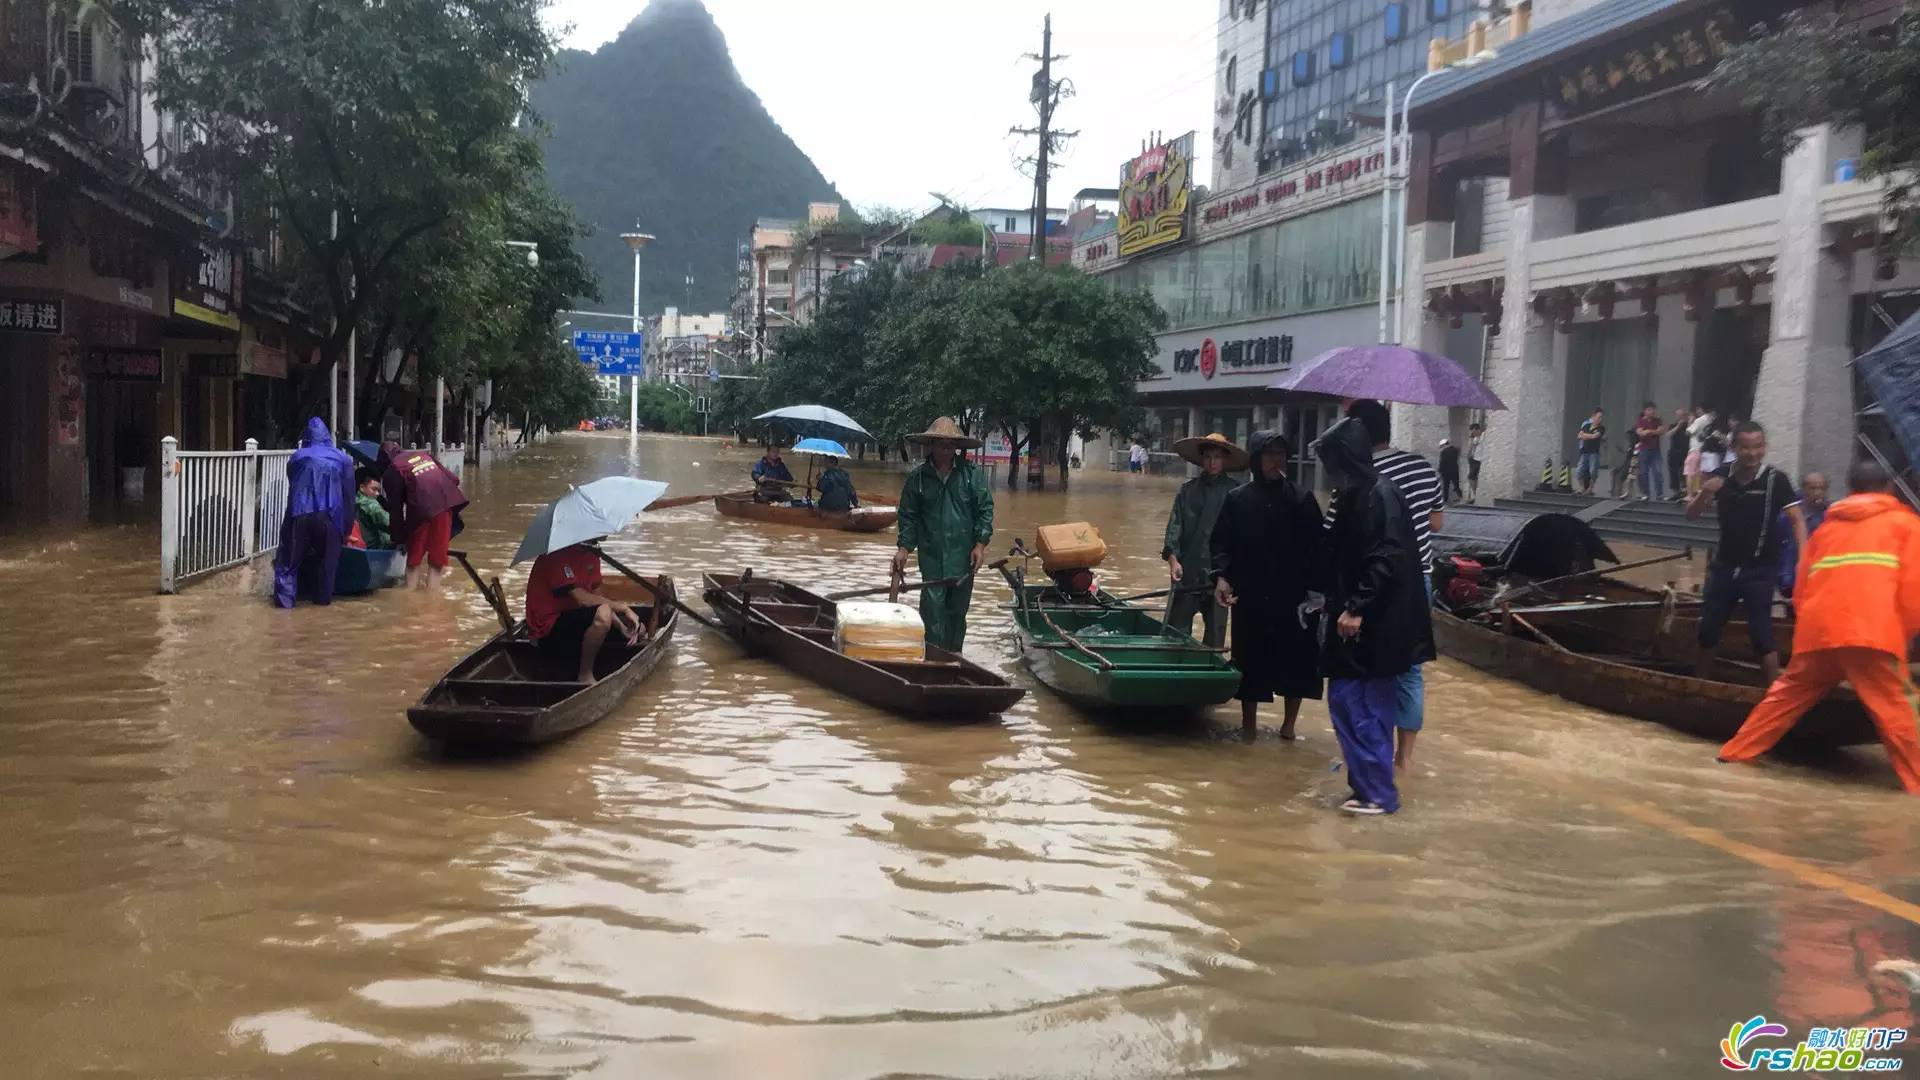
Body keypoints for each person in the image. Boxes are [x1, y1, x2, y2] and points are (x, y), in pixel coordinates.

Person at [1717, 458, 1920, 794]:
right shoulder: (1907, 525)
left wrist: (1808, 630)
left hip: (1819, 631)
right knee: (1900, 709)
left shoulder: (1827, 528)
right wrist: (1907, 635)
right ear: (1888, 488)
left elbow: (1802, 587)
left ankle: (1733, 755)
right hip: (1871, 634)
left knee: (1783, 698)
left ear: (1849, 488)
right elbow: (1914, 588)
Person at [1311, 417, 1435, 816]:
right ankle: (1364, 787)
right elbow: (1337, 550)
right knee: (1348, 703)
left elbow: (1385, 557)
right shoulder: (1354, 495)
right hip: (1357, 621)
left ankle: (1379, 794)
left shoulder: (1381, 495)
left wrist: (1356, 607)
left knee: (1365, 707)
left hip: (1376, 625)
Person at [1328, 400, 1444, 770]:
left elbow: (1334, 535)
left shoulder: (1356, 478)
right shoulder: (1423, 467)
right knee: (1410, 668)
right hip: (1419, 578)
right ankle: (1403, 760)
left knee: (1367, 668)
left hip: (1370, 587)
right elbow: (1437, 523)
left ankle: (1368, 753)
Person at [1210, 430, 1324, 739]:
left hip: (1294, 599)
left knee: (1297, 662)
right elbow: (1222, 544)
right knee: (1250, 660)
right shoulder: (1237, 500)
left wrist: (1319, 594)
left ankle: (1288, 728)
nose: (1276, 461)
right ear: (1256, 459)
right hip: (1252, 596)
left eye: (1281, 455)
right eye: (1270, 454)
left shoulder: (1302, 500)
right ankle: (1249, 728)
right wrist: (1221, 577)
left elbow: (1319, 549)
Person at [1686, 421, 1808, 683]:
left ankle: (1772, 694)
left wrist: (1804, 559)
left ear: (1764, 447)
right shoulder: (1721, 476)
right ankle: (1698, 684)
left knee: (1762, 636)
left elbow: (1798, 520)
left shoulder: (1776, 479)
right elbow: (1692, 516)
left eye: (1758, 447)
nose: (1752, 453)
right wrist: (1705, 493)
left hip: (1760, 569)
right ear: (1734, 448)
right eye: (1746, 447)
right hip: (1724, 566)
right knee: (1708, 629)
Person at [892, 417, 994, 653]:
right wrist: (904, 548)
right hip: (932, 556)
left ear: (956, 447)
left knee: (958, 611)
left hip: (963, 556)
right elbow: (908, 516)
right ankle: (934, 656)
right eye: (941, 444)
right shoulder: (917, 479)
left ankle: (955, 655)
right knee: (933, 609)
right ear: (932, 445)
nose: (946, 449)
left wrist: (980, 544)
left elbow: (985, 510)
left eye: (950, 445)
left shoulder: (971, 476)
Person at [1163, 432, 1246, 648]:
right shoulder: (1187, 491)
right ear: (1201, 459)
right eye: (1208, 456)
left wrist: (1233, 573)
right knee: (1175, 635)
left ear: (1225, 460)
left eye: (1217, 457)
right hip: (1187, 571)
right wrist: (1173, 560)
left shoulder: (1235, 493)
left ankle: (1212, 680)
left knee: (1216, 638)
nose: (1212, 462)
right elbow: (1174, 527)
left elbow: (1241, 538)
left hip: (1220, 577)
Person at [524, 541, 645, 685]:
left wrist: (622, 627)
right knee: (605, 612)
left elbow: (598, 599)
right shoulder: (556, 555)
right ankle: (585, 675)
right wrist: (624, 608)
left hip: (575, 619)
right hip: (548, 629)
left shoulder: (592, 554)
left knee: (639, 630)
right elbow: (582, 599)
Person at [272, 417, 356, 608]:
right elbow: (349, 497)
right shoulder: (343, 459)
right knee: (327, 566)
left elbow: (293, 481)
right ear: (328, 437)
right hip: (331, 516)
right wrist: (347, 528)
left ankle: (284, 609)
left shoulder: (297, 457)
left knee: (288, 564)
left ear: (306, 437)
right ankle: (321, 607)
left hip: (299, 513)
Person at [379, 440, 469, 589]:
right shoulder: (423, 455)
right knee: (436, 560)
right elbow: (454, 479)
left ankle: (410, 597)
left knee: (413, 560)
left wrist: (399, 539)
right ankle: (432, 602)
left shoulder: (392, 469)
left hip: (420, 512)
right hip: (445, 506)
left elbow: (395, 511)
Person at [1776, 472, 1830, 598]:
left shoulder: (1830, 512)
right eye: (1813, 488)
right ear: (1804, 488)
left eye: (1822, 488)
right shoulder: (1791, 513)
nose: (1818, 492)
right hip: (1793, 571)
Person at [1633, 402, 1667, 502]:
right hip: (1644, 450)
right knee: (1644, 472)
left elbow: (1661, 431)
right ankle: (1645, 493)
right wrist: (1651, 432)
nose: (1652, 411)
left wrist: (1649, 431)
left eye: (1653, 409)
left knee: (1658, 472)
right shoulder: (1640, 421)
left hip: (1655, 450)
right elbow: (1640, 433)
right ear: (1645, 411)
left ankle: (1659, 494)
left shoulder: (1657, 420)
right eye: (1649, 409)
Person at [354, 468, 392, 550]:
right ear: (362, 487)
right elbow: (387, 521)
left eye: (378, 490)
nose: (377, 494)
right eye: (374, 489)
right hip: (376, 550)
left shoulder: (353, 500)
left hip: (360, 547)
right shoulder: (368, 503)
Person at [1574, 407, 1606, 495]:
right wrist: (1586, 435)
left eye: (1601, 417)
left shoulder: (1601, 428)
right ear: (1594, 417)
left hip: (1594, 452)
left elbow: (1595, 436)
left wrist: (1585, 435)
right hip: (1584, 451)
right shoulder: (1586, 425)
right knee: (1579, 471)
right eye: (1599, 417)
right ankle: (1582, 487)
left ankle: (1590, 488)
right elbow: (1579, 436)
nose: (1600, 419)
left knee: (1593, 471)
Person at [1685, 407, 1716, 497]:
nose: (1697, 411)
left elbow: (1688, 432)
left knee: (1689, 472)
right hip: (1704, 449)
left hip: (1695, 449)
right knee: (1699, 473)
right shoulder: (1711, 420)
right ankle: (1698, 494)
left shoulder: (1699, 420)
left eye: (1698, 409)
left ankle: (1689, 495)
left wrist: (1690, 421)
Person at [1666, 407, 1692, 502]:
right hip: (1673, 452)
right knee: (1673, 473)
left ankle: (1684, 491)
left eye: (1682, 416)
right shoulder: (1673, 425)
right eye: (1678, 416)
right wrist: (1678, 426)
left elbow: (1689, 433)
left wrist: (1688, 422)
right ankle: (1675, 492)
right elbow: (1668, 434)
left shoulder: (1689, 427)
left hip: (1685, 453)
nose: (1680, 417)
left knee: (1683, 473)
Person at [1437, 438, 1463, 504]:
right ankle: (1461, 498)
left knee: (1446, 486)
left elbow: (1442, 462)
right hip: (1454, 470)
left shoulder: (1444, 452)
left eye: (1442, 446)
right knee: (1456, 485)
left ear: (1444, 445)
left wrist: (1440, 470)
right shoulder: (1455, 450)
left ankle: (1445, 500)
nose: (1442, 447)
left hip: (1446, 472)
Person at [1466, 421, 1485, 504]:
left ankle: (1476, 494)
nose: (1472, 433)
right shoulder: (1475, 438)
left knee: (1472, 476)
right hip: (1475, 459)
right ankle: (1475, 494)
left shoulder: (1484, 435)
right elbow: (1471, 448)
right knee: (1472, 477)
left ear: (1477, 429)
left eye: (1473, 431)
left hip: (1480, 459)